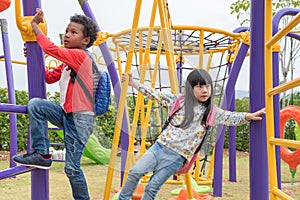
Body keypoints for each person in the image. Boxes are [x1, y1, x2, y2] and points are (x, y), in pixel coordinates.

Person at [118, 69, 265, 200]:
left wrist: (248, 116)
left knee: (152, 187)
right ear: (191, 88)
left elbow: (229, 117)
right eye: (200, 87)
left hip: (177, 157)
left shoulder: (212, 112)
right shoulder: (179, 101)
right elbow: (156, 95)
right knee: (134, 172)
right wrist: (133, 83)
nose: (205, 90)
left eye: (207, 86)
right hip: (159, 147)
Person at [13, 8, 98, 200]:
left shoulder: (81, 56)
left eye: (73, 33)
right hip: (67, 114)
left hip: (81, 120)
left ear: (85, 41)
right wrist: (37, 56)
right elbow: (48, 78)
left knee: (72, 168)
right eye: (67, 31)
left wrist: (35, 28)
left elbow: (52, 49)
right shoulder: (68, 63)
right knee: (37, 105)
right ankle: (43, 154)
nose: (67, 35)